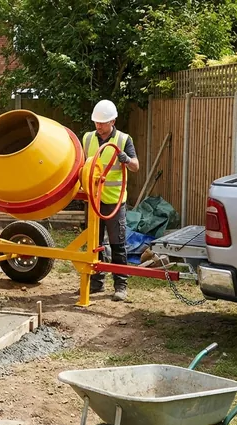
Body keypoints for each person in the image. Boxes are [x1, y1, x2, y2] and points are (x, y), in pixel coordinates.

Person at [81, 99, 140, 301]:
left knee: (117, 244)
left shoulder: (124, 140)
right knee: (94, 244)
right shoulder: (88, 139)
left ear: (113, 121)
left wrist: (126, 159)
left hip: (114, 202)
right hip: (93, 200)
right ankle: (96, 283)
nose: (99, 126)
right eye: (96, 122)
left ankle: (120, 286)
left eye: (103, 123)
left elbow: (136, 166)